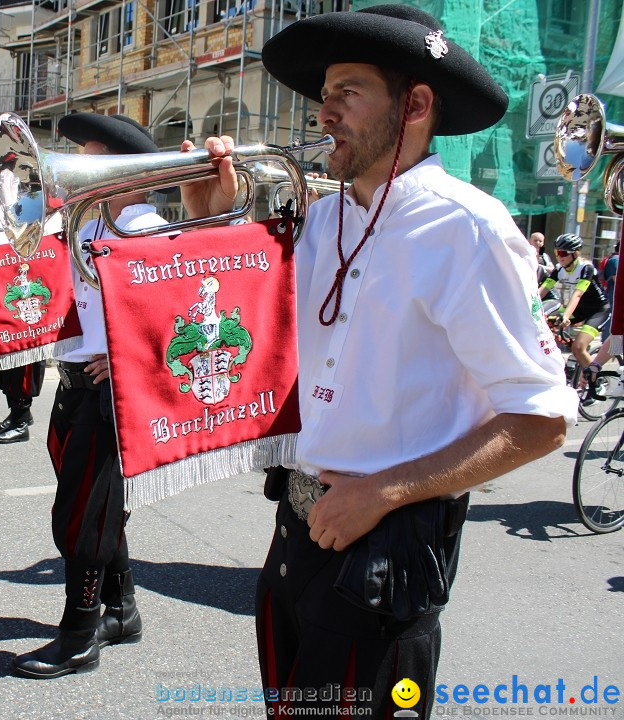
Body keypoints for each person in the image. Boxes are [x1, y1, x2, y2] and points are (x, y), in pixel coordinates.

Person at [182, 6, 575, 714]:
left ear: (416, 104)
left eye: (348, 93)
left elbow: (542, 418)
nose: (323, 113)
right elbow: (231, 339)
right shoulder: (320, 217)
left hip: (389, 549)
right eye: (323, 94)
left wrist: (385, 491)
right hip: (296, 530)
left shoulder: (469, 229)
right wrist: (215, 221)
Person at [12, 113, 168, 679]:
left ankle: (79, 635)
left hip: (117, 391)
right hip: (77, 382)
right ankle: (121, 610)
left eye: (91, 160)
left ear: (129, 172)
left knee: (83, 516)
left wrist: (127, 354)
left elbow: (175, 315)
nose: (76, 171)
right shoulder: (85, 224)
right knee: (94, 506)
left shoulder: (146, 227)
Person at [539, 233, 610, 371]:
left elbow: (577, 295)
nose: (559, 256)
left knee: (579, 347)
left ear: (574, 254)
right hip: (580, 309)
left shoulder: (585, 268)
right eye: (556, 252)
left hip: (598, 311)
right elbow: (542, 290)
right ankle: (572, 359)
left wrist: (565, 316)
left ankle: (596, 378)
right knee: (549, 321)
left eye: (563, 253)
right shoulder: (559, 269)